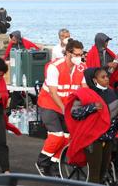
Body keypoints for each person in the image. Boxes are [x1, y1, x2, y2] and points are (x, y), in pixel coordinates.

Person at [35, 39, 87, 176]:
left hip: (67, 106)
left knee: (67, 137)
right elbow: (53, 92)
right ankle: (42, 162)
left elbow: (85, 89)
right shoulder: (55, 67)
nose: (79, 58)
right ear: (68, 53)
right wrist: (64, 109)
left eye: (81, 54)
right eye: (76, 55)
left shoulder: (82, 68)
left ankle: (54, 164)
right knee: (57, 135)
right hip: (49, 104)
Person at [65, 67, 118, 184]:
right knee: (94, 174)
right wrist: (92, 107)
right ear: (94, 80)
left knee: (102, 173)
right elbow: (75, 114)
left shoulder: (112, 93)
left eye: (107, 76)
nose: (107, 79)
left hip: (108, 137)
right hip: (93, 138)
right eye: (103, 77)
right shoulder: (84, 94)